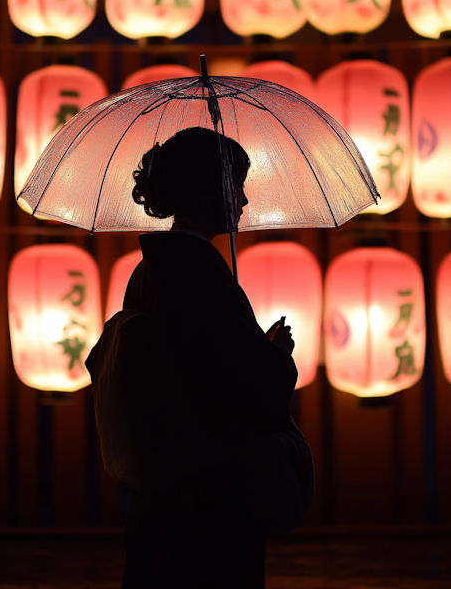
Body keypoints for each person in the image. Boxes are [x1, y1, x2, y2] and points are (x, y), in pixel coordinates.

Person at [118, 127, 298, 589]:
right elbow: (239, 387)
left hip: (162, 494)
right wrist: (276, 356)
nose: (243, 201)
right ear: (210, 187)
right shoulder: (195, 274)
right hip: (204, 499)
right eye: (236, 185)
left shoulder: (155, 267)